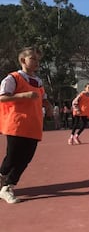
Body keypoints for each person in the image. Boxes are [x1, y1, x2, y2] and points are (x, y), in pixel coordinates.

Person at [0, 46, 51, 203]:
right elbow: (2, 97)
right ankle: (3, 178)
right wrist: (24, 95)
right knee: (13, 157)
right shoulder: (13, 78)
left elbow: (43, 98)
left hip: (34, 125)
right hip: (16, 124)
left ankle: (8, 186)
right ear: (23, 60)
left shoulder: (38, 81)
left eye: (38, 60)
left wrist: (48, 107)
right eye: (33, 59)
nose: (36, 63)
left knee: (26, 158)